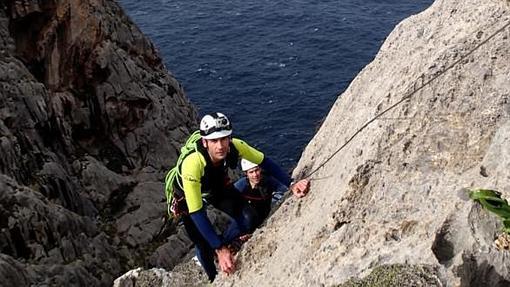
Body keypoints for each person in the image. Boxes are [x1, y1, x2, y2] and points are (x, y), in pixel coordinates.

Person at [174, 112, 310, 282]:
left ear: (230, 138)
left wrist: (291, 184)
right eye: (214, 141)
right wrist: (219, 248)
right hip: (186, 197)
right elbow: (197, 212)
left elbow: (264, 161)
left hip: (215, 186)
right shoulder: (193, 163)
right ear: (204, 142)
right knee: (202, 245)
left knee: (248, 218)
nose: (220, 146)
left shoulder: (235, 146)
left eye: (224, 139)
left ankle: (226, 244)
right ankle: (213, 278)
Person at [232, 158, 305, 232]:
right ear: (246, 174)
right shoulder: (241, 186)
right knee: (248, 218)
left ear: (260, 169)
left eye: (257, 170)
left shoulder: (268, 181)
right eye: (251, 172)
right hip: (248, 216)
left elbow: (282, 187)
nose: (255, 174)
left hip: (264, 213)